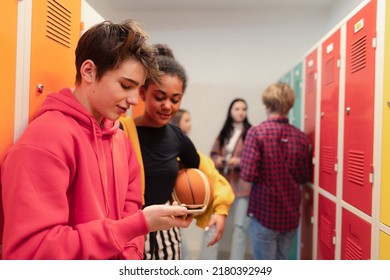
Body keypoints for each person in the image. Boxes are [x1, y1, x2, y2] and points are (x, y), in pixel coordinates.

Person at [0, 20, 193, 260]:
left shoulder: (121, 141)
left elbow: (130, 209)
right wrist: (137, 224)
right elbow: (33, 253)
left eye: (138, 88)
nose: (134, 99)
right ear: (89, 71)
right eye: (125, 85)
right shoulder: (44, 140)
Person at [119, 44, 234, 260]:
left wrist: (220, 209)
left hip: (168, 238)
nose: (167, 106)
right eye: (160, 97)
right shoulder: (121, 130)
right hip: (129, 232)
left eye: (175, 99)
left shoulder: (177, 136)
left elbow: (207, 171)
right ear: (143, 92)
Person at [240, 82, 311, 260]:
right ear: (289, 106)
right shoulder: (301, 137)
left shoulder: (256, 133)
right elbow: (303, 176)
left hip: (265, 214)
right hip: (290, 216)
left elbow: (247, 174)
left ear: (267, 105)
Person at [199, 98, 252, 260]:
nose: (241, 112)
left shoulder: (251, 132)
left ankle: (236, 264)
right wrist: (220, 160)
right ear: (231, 111)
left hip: (243, 185)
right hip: (222, 183)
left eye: (244, 109)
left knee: (240, 226)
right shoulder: (224, 132)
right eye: (237, 109)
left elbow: (254, 159)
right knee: (214, 222)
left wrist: (239, 161)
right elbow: (212, 155)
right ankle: (207, 262)